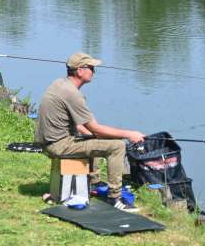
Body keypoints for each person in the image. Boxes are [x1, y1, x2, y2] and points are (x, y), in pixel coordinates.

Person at [35, 52, 145, 212]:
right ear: (80, 71)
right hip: (58, 145)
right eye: (91, 68)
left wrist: (96, 135)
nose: (94, 71)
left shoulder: (60, 84)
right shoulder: (72, 94)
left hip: (50, 141)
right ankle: (114, 198)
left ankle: (94, 182)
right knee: (117, 146)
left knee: (91, 138)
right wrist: (130, 134)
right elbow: (96, 128)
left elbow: (82, 127)